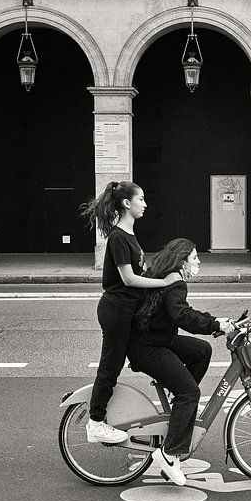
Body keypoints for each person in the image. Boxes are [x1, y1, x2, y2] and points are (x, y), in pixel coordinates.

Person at [78, 181, 180, 444]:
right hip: (117, 310)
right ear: (127, 203)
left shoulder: (129, 236)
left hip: (126, 310)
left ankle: (173, 388)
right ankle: (96, 422)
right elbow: (129, 279)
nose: (145, 204)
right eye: (141, 199)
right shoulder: (118, 237)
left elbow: (140, 272)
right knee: (110, 365)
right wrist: (164, 283)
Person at [128, 238, 234, 485]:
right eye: (195, 258)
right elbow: (182, 316)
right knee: (190, 393)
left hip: (155, 339)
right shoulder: (175, 281)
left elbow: (182, 312)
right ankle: (169, 452)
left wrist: (216, 320)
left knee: (202, 351)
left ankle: (179, 406)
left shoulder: (166, 275)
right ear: (182, 261)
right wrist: (216, 324)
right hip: (148, 348)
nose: (198, 263)